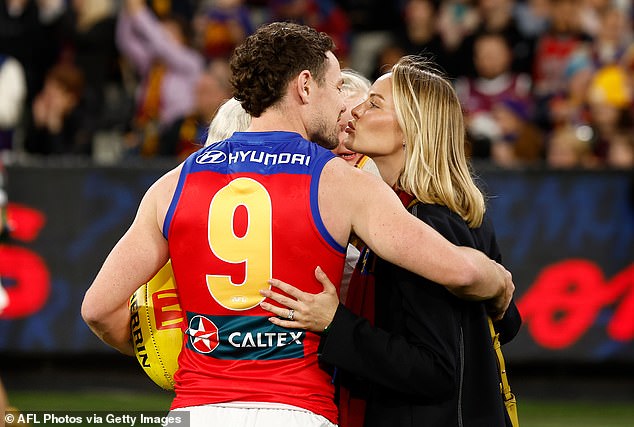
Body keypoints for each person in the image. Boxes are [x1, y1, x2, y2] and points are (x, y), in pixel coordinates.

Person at [82, 23, 514, 427]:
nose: (344, 104)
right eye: (335, 86)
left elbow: (98, 309)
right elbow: (459, 271)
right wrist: (497, 281)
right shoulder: (340, 182)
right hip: (296, 408)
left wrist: (179, 359)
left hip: (196, 410)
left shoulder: (172, 184)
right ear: (306, 86)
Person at [260, 55, 522, 427]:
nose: (355, 110)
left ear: (409, 130)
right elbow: (506, 323)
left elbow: (434, 370)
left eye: (374, 104)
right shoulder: (455, 211)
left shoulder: (422, 222)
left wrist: (335, 323)